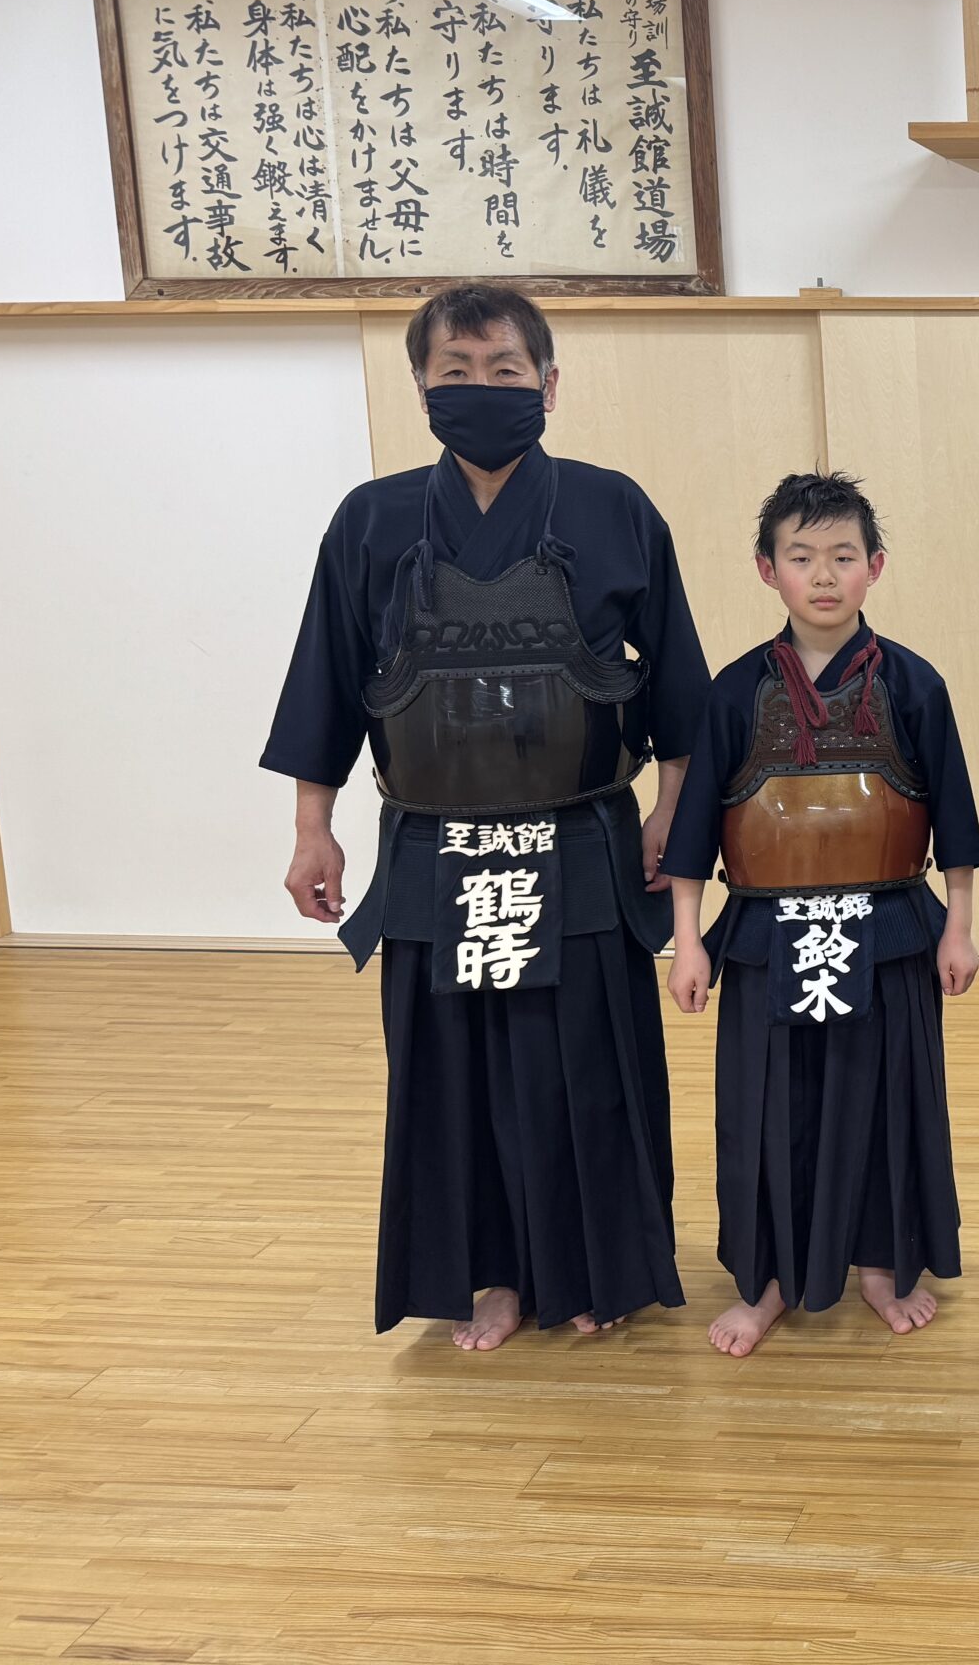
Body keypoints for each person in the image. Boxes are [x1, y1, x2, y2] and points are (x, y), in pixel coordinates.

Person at [264, 283, 709, 1347]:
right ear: (421, 388)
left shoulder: (614, 509)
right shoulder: (371, 521)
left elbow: (678, 684)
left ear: (548, 385)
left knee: (587, 1068)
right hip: (435, 842)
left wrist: (672, 810)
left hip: (579, 837)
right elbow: (326, 683)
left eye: (504, 370)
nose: (480, 388)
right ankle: (493, 1275)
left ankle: (597, 1268)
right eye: (454, 372)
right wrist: (313, 827)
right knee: (453, 1076)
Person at [662, 472, 979, 1355]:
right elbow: (693, 838)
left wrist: (959, 926)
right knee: (770, 1111)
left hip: (887, 929)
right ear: (767, 570)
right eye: (802, 557)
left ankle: (881, 1263)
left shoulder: (913, 684)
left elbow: (955, 824)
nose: (824, 575)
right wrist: (687, 944)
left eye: (844, 556)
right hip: (767, 934)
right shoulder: (734, 691)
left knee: (887, 1102)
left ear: (875, 566)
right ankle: (768, 1279)